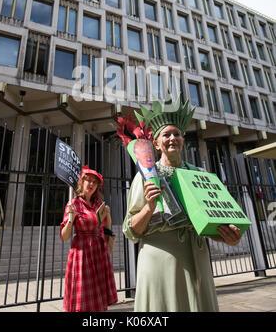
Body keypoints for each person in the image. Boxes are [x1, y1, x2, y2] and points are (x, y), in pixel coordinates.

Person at [122, 97, 242, 312]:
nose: (172, 138)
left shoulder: (200, 175)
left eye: (177, 134)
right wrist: (149, 208)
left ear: (183, 140)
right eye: (166, 135)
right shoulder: (145, 177)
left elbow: (210, 224)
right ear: (156, 144)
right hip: (159, 259)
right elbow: (131, 230)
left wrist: (227, 236)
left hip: (197, 256)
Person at [60, 166, 118, 312]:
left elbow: (106, 227)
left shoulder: (99, 204)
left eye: (94, 182)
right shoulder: (74, 204)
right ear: (81, 182)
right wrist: (70, 219)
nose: (91, 184)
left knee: (98, 296)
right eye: (88, 181)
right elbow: (65, 236)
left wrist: (108, 215)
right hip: (82, 253)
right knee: (83, 294)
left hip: (99, 251)